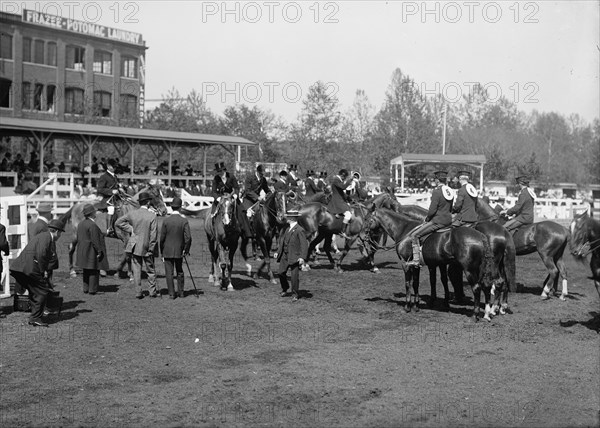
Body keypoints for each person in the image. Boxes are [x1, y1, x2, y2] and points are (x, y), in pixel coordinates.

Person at [10, 220, 64, 327]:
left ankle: (36, 315)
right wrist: (42, 270)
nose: (60, 236)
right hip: (29, 268)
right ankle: (35, 317)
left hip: (21, 267)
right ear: (57, 231)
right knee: (42, 290)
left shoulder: (43, 236)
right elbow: (41, 254)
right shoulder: (47, 238)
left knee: (35, 290)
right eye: (61, 233)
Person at [115, 191, 159, 299]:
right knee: (150, 270)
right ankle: (152, 291)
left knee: (136, 269)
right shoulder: (152, 216)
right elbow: (153, 235)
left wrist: (131, 229)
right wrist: (151, 248)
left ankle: (138, 292)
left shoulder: (132, 214)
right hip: (146, 243)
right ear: (148, 202)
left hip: (134, 242)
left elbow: (118, 223)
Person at [407, 171, 454, 267]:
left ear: (437, 180)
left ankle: (416, 260)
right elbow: (450, 208)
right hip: (449, 220)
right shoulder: (450, 191)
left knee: (414, 235)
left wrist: (427, 219)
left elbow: (432, 211)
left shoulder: (437, 191)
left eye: (435, 179)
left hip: (438, 221)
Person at [160, 197, 192, 299]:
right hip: (179, 250)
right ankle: (181, 293)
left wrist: (162, 252)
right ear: (180, 208)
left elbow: (161, 239)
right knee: (180, 271)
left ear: (172, 207)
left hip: (167, 250)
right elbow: (188, 238)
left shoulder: (166, 221)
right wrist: (186, 250)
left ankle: (171, 294)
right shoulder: (184, 221)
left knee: (169, 273)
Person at [277, 210, 309, 302]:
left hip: (294, 256)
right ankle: (285, 287)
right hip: (285, 255)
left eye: (287, 217)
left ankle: (295, 293)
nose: (286, 218)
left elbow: (304, 244)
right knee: (280, 272)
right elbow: (283, 241)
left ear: (291, 218)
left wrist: (302, 257)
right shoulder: (287, 228)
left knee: (294, 276)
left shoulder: (300, 230)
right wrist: (279, 251)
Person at [75, 204, 107, 295]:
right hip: (90, 250)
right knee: (93, 269)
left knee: (86, 269)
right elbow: (95, 240)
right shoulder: (92, 225)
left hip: (82, 249)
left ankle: (86, 288)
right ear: (92, 213)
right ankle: (92, 289)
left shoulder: (81, 224)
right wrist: (99, 250)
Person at [241, 164, 270, 237]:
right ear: (257, 172)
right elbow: (247, 191)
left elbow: (266, 189)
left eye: (263, 174)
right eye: (260, 174)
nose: (262, 175)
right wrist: (257, 197)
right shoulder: (249, 178)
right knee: (248, 214)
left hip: (257, 200)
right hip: (248, 199)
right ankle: (246, 232)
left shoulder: (263, 179)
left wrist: (272, 195)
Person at [96, 159, 122, 235]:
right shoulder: (103, 177)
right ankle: (109, 228)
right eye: (113, 167)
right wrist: (111, 191)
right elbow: (100, 189)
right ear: (108, 166)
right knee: (111, 209)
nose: (115, 168)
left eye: (115, 167)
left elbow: (116, 187)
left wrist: (120, 189)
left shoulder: (115, 176)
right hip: (107, 199)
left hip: (116, 199)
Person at [327, 169, 355, 238]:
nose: (345, 179)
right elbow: (343, 187)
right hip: (337, 201)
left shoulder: (338, 180)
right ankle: (342, 231)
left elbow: (341, 193)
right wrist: (350, 180)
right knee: (348, 214)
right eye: (345, 177)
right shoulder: (336, 179)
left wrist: (350, 199)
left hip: (339, 200)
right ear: (342, 175)